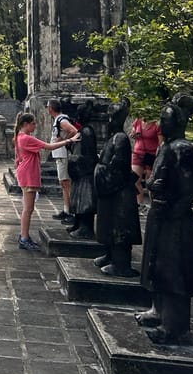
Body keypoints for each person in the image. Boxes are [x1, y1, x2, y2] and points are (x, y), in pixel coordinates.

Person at [136, 94, 193, 344]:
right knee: (155, 265)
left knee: (174, 270)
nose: (161, 126)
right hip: (160, 215)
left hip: (174, 219)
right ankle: (157, 310)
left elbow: (189, 189)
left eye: (166, 121)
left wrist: (172, 211)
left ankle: (174, 325)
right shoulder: (165, 146)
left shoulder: (182, 148)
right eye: (161, 120)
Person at [13, 112, 80, 251]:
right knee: (28, 209)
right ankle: (24, 237)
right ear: (26, 124)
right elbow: (48, 147)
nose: (35, 126)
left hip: (25, 172)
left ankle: (24, 236)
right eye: (33, 123)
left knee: (28, 208)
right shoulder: (26, 138)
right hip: (28, 174)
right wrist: (70, 140)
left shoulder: (20, 136)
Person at [93, 99, 141, 277]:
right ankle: (109, 255)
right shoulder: (113, 138)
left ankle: (121, 264)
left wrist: (102, 173)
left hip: (118, 190)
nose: (108, 121)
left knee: (119, 228)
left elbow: (118, 166)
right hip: (110, 190)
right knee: (108, 225)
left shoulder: (121, 138)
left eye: (111, 117)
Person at [66, 101, 98, 239]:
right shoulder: (82, 131)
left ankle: (86, 228)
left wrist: (77, 161)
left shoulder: (87, 131)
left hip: (85, 172)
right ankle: (78, 223)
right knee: (77, 199)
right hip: (78, 171)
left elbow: (89, 154)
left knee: (84, 200)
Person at [47, 99, 78, 224]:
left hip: (63, 154)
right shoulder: (58, 119)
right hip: (59, 155)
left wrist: (64, 140)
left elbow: (74, 131)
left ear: (50, 108)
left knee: (66, 183)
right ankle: (66, 210)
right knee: (64, 184)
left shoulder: (61, 119)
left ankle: (72, 212)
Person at [130, 116, 161, 208]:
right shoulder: (138, 121)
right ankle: (139, 204)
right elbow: (132, 132)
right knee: (135, 180)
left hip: (151, 155)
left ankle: (153, 205)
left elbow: (161, 143)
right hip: (137, 153)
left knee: (150, 182)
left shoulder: (157, 124)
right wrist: (134, 135)